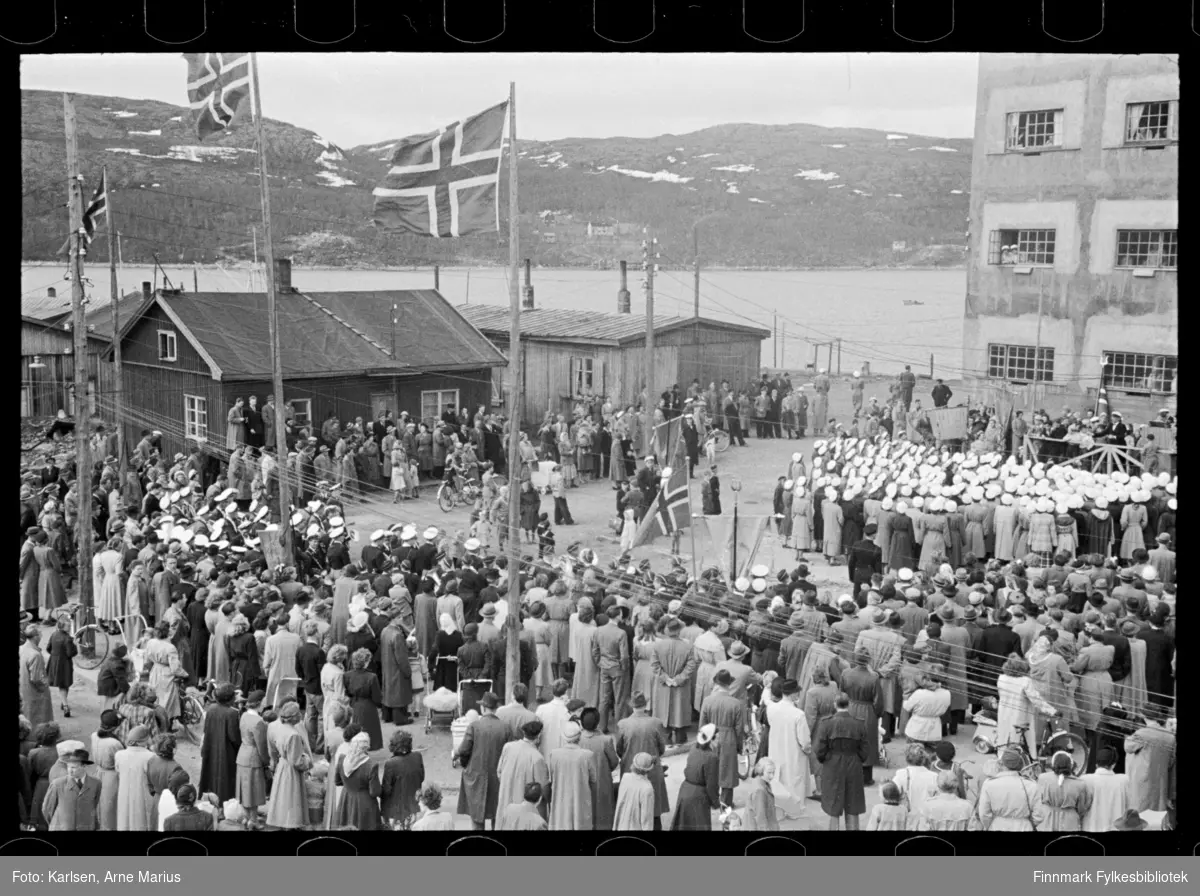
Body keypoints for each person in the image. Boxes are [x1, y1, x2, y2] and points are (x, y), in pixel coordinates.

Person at [454, 691, 512, 830]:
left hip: (476, 777)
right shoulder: (506, 728)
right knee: (496, 818)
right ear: (495, 709)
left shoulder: (474, 726)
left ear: (483, 708)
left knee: (477, 819)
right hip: (498, 778)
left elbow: (463, 750)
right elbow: (509, 754)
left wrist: (464, 764)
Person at [815, 695, 869, 831]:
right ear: (849, 704)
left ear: (835, 704)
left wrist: (826, 759)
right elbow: (865, 749)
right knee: (853, 801)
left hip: (832, 763)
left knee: (833, 801)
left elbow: (820, 749)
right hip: (853, 762)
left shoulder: (826, 723)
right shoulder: (859, 723)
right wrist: (858, 759)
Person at [265, 701, 314, 830]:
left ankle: (282, 821)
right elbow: (297, 762)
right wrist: (307, 760)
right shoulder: (294, 735)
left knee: (282, 796)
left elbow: (272, 749)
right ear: (293, 716)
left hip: (282, 764)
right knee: (291, 796)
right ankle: (290, 824)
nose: (300, 715)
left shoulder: (278, 728)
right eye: (298, 713)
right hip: (290, 770)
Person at [765, 678, 812, 808]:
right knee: (795, 793)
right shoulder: (799, 715)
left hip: (776, 756)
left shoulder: (772, 709)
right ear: (793, 694)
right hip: (794, 758)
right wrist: (807, 751)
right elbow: (806, 742)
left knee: (778, 791)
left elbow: (767, 698)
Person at [495, 719, 550, 830]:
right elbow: (543, 790)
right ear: (538, 737)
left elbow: (499, 772)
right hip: (524, 816)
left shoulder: (508, 747)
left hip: (505, 809)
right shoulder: (537, 758)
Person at [547, 720, 598, 830]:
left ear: (564, 737)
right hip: (581, 802)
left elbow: (550, 779)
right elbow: (594, 781)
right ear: (579, 737)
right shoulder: (588, 755)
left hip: (560, 803)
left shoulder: (554, 755)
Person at [978, 747, 1044, 831]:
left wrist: (992, 825)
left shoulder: (989, 784)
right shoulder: (1031, 785)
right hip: (1024, 827)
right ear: (1020, 765)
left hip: (997, 826)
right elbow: (1038, 815)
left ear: (1001, 764)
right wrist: (1027, 823)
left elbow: (984, 814)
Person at [671, 723, 721, 830]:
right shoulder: (712, 757)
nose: (719, 741)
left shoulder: (694, 749)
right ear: (710, 740)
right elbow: (711, 785)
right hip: (698, 797)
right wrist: (716, 803)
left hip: (685, 791)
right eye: (717, 738)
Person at [41, 748, 101, 832]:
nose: (70, 770)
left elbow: (94, 806)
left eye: (74, 767)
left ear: (84, 766)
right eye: (68, 767)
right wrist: (58, 824)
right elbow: (47, 809)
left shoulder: (96, 783)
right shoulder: (57, 784)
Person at [234, 689, 270, 826]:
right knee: (254, 790)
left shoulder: (244, 715)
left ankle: (247, 817)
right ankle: (253, 820)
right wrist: (267, 761)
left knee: (244, 789)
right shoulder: (258, 721)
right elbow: (261, 745)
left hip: (242, 754)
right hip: (253, 757)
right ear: (260, 702)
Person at [335, 731, 382, 831]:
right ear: (366, 747)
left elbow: (337, 781)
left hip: (346, 798)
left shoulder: (342, 759)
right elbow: (374, 792)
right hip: (364, 803)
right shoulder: (371, 765)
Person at [1035, 750, 1092, 832]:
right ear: (1071, 765)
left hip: (1047, 818)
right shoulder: (1080, 784)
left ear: (1054, 764)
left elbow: (1038, 800)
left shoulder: (1043, 778)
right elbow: (1081, 809)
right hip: (1069, 822)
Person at [114, 725, 156, 831]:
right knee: (140, 821)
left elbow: (118, 770)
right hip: (142, 794)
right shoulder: (150, 756)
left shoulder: (119, 754)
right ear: (145, 739)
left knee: (124, 819)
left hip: (124, 793)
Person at [380, 729, 424, 830]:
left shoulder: (390, 763)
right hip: (414, 806)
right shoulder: (417, 756)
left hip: (397, 811)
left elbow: (387, 790)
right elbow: (421, 777)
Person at [1080, 747, 1129, 832]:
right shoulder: (1124, 780)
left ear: (1096, 764)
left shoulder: (1085, 780)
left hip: (1091, 829)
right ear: (1113, 765)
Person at [344, 647, 384, 751]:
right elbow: (377, 697)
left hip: (355, 703)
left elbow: (347, 691)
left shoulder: (348, 675)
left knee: (356, 728)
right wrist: (380, 705)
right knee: (368, 730)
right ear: (365, 662)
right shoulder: (371, 677)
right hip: (368, 705)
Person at [19, 624, 55, 732]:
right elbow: (36, 679)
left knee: (27, 715)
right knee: (39, 719)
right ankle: (39, 739)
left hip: (23, 689)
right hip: (34, 693)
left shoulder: (21, 648)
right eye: (40, 634)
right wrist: (46, 685)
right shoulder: (35, 655)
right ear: (36, 636)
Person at [45, 614, 78, 719]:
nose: (69, 627)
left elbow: (48, 648)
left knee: (62, 684)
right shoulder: (68, 639)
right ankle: (65, 705)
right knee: (64, 684)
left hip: (55, 661)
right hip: (65, 663)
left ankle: (63, 702)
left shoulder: (54, 634)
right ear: (63, 626)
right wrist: (75, 644)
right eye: (68, 626)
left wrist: (55, 655)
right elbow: (71, 653)